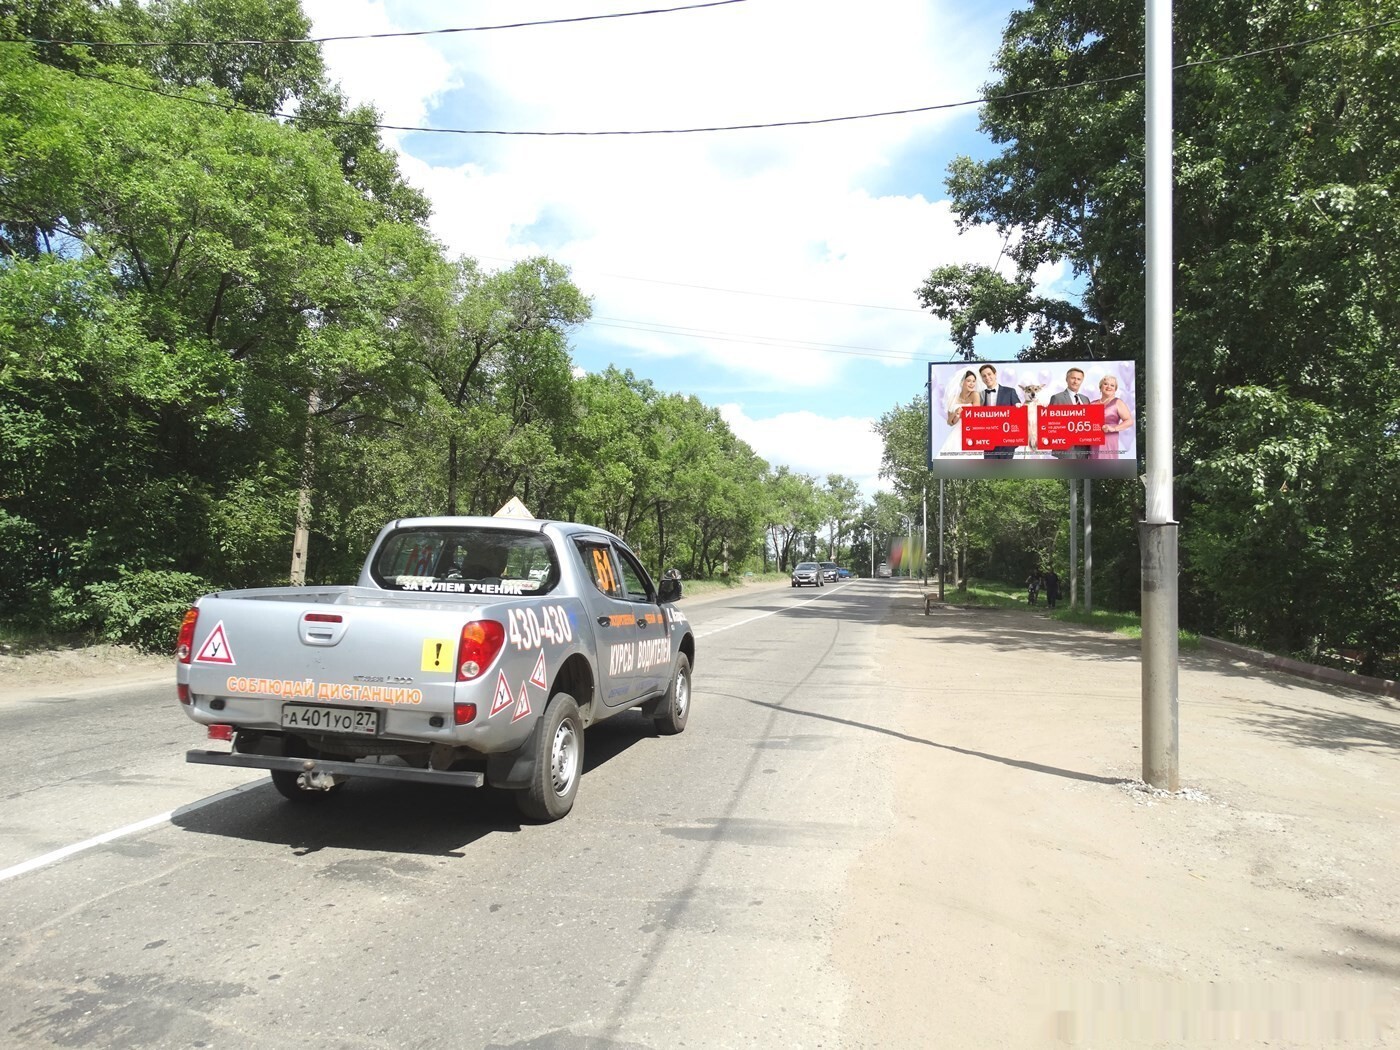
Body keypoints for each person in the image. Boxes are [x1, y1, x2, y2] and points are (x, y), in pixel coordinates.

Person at [977, 364, 1022, 459]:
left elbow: (1019, 414)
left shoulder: (1010, 392)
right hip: (988, 442)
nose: (987, 378)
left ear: (995, 374)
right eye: (984, 376)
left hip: (1007, 443)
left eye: (989, 374)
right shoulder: (980, 395)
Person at [1048, 367, 1092, 459]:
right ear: (1067, 379)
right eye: (1073, 378)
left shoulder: (1085, 399)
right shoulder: (1057, 398)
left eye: (1079, 379)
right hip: (1066, 448)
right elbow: (1050, 422)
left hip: (1083, 448)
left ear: (1081, 381)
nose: (1075, 381)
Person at [1092, 375, 1134, 460]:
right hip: (1093, 441)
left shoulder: (1118, 402)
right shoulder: (1092, 403)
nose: (1109, 387)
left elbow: (1129, 421)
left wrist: (1114, 428)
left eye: (1112, 385)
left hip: (1109, 440)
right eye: (1106, 384)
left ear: (1115, 389)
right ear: (1100, 387)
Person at [940, 370, 981, 455]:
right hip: (956, 433)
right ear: (962, 382)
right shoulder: (953, 398)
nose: (972, 384)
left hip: (971, 432)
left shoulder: (975, 395)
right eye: (969, 381)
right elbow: (950, 422)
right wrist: (955, 413)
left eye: (973, 381)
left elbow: (976, 416)